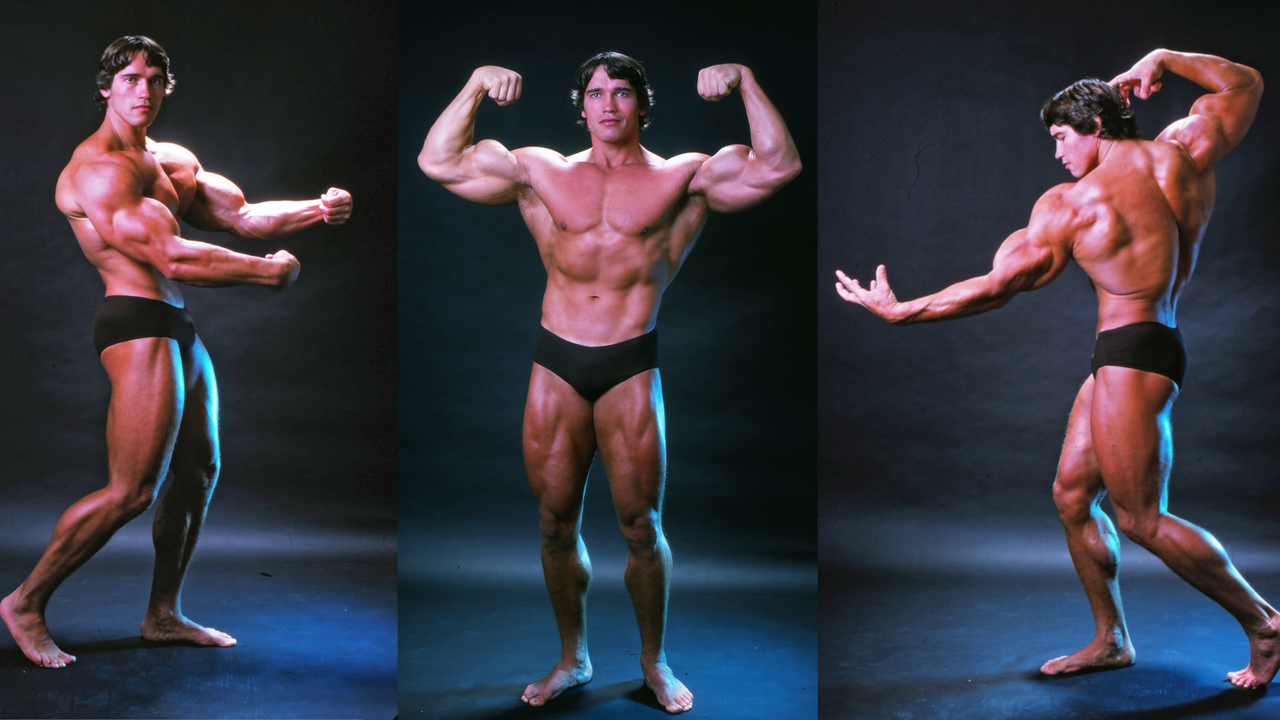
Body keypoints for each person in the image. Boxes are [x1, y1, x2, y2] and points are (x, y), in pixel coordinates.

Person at [835, 49, 1278, 688]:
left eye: (1061, 136)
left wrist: (902, 312)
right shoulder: (1185, 151)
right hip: (1148, 347)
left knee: (1140, 518)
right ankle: (1111, 639)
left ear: (1096, 125)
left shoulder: (1074, 203)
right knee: (1073, 494)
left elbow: (997, 285)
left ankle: (1265, 622)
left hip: (1131, 356)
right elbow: (1245, 82)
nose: (1057, 152)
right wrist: (1164, 58)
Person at [420, 51, 800, 712]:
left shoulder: (684, 177)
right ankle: (574, 658)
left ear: (642, 106)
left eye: (622, 94)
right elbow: (439, 160)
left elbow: (779, 166)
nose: (608, 106)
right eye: (596, 94)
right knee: (553, 522)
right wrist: (476, 83)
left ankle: (654, 662)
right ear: (582, 106)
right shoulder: (540, 170)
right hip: (555, 364)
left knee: (640, 525)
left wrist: (745, 78)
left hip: (629, 364)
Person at [0, 36, 352, 669]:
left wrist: (317, 210)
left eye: (155, 79)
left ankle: (163, 615)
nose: (143, 90)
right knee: (131, 490)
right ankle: (25, 603)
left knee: (197, 475)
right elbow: (171, 256)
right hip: (136, 323)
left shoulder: (171, 161)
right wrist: (266, 275)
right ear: (106, 88)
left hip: (176, 327)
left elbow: (243, 216)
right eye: (130, 78)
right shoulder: (98, 167)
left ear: (166, 88)